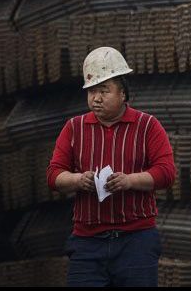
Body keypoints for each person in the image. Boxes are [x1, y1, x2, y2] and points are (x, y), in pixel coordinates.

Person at [46, 46, 175, 286]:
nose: (96, 98)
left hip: (136, 240)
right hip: (87, 243)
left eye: (104, 91)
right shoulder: (74, 128)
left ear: (123, 93)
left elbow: (166, 172)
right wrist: (77, 180)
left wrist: (129, 181)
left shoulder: (147, 125)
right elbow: (54, 175)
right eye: (91, 91)